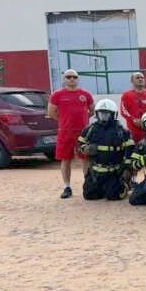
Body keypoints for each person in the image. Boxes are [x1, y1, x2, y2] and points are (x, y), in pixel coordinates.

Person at [47, 69, 94, 199]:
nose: (72, 79)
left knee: (85, 159)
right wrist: (64, 121)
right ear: (64, 79)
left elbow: (92, 110)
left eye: (74, 77)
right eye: (68, 77)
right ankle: (67, 187)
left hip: (83, 133)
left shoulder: (86, 94)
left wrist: (82, 121)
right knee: (65, 159)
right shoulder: (57, 95)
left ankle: (88, 185)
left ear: (78, 79)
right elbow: (51, 112)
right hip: (65, 132)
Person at [77, 99, 134, 201]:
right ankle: (103, 187)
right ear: (97, 114)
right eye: (101, 114)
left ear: (113, 115)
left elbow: (130, 150)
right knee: (89, 195)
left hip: (114, 171)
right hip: (95, 171)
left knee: (114, 196)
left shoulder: (121, 131)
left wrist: (126, 169)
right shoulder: (90, 129)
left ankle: (125, 184)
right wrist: (84, 149)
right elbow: (80, 144)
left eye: (106, 114)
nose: (103, 117)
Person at [120, 72, 146, 143]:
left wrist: (144, 122)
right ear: (132, 81)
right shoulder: (126, 95)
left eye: (142, 77)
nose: (140, 79)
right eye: (137, 78)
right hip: (132, 133)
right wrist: (133, 120)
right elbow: (123, 111)